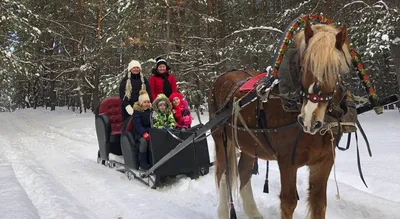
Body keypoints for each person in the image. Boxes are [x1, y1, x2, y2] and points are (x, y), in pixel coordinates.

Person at [132, 90, 152, 170]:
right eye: (144, 102)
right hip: (140, 133)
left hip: (150, 131)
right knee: (144, 141)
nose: (146, 104)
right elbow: (137, 125)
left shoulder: (151, 111)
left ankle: (151, 160)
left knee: (154, 141)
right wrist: (143, 133)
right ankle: (142, 163)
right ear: (140, 103)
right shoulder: (137, 112)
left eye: (148, 102)